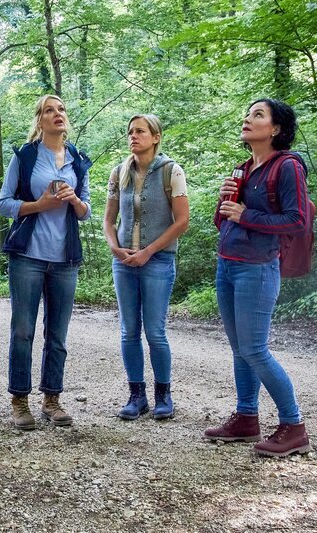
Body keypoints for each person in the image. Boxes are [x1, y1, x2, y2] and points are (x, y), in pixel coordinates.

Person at [204, 98, 312, 457]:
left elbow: (297, 221)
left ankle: (294, 426)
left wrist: (245, 214)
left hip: (259, 268)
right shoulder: (244, 168)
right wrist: (225, 208)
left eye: (257, 115)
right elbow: (225, 222)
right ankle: (247, 419)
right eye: (248, 114)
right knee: (240, 350)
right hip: (228, 264)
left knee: (254, 349)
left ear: (276, 129)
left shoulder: (288, 168)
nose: (247, 119)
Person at [0, 94, 92, 430]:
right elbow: (4, 204)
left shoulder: (77, 159)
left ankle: (52, 400)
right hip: (28, 257)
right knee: (23, 331)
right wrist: (39, 204)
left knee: (58, 335)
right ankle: (19, 402)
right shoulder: (24, 157)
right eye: (49, 110)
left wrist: (74, 200)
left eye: (61, 109)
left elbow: (86, 212)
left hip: (65, 259)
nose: (57, 114)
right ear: (39, 121)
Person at [102, 114, 189, 421]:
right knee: (128, 332)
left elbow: (182, 222)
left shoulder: (171, 171)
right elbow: (109, 219)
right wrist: (114, 246)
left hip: (158, 261)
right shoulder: (119, 172)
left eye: (140, 131)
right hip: (124, 261)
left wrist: (149, 251)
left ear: (155, 137)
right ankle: (136, 396)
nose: (133, 136)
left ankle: (164, 395)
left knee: (155, 332)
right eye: (130, 132)